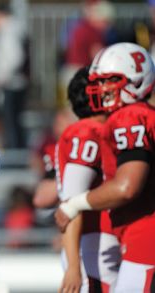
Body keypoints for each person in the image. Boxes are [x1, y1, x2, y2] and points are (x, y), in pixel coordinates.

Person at [55, 42, 155, 292]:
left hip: (144, 236)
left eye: (110, 79)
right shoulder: (140, 115)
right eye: (99, 81)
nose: (102, 88)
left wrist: (75, 204)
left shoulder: (129, 117)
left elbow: (127, 186)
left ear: (136, 81)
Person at [56, 67, 119, 292]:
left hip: (99, 245)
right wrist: (74, 266)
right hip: (93, 247)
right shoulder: (87, 132)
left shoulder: (96, 130)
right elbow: (71, 202)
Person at [0, 3, 29, 149]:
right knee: (15, 120)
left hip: (10, 83)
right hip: (15, 82)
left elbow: (15, 57)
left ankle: (14, 152)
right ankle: (17, 148)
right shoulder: (14, 28)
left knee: (11, 121)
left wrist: (1, 77)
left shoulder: (8, 30)